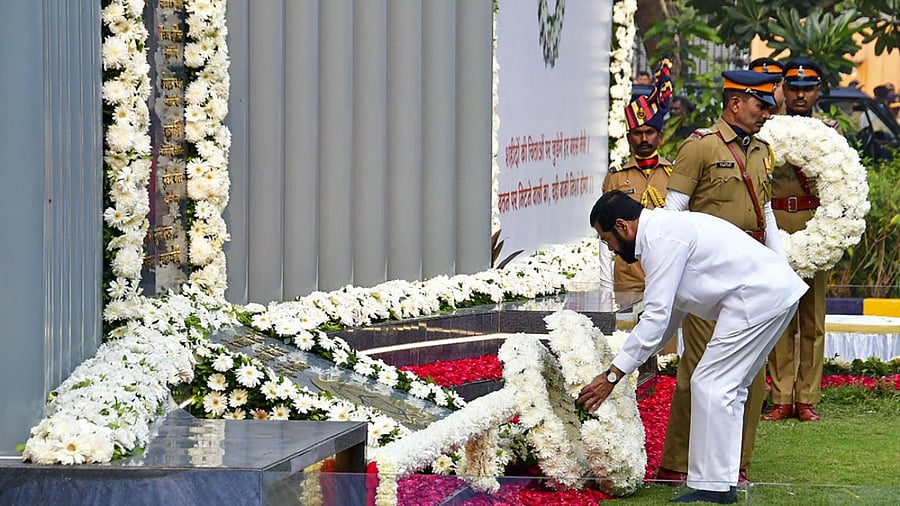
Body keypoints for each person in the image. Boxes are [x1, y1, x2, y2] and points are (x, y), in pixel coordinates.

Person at [579, 191, 806, 504]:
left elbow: (658, 315)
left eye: (607, 240)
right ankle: (721, 484)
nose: (611, 249)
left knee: (711, 384)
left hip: (756, 298)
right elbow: (672, 311)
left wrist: (613, 375)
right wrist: (639, 357)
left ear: (622, 226)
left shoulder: (661, 238)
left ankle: (713, 488)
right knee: (728, 388)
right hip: (772, 294)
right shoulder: (661, 232)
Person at [656, 69, 785, 487]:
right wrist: (670, 277)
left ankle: (735, 465)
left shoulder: (762, 151)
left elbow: (765, 214)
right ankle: (677, 463)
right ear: (735, 103)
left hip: (752, 277)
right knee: (698, 371)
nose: (766, 113)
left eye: (768, 107)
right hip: (708, 279)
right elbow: (673, 212)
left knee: (750, 373)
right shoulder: (699, 147)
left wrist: (778, 267)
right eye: (760, 105)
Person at [761, 58, 837, 422]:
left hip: (814, 224)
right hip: (776, 224)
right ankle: (782, 397)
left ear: (818, 91)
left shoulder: (829, 133)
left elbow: (840, 185)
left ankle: (806, 397)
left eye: (808, 88)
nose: (800, 94)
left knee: (813, 316)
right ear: (784, 90)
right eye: (794, 88)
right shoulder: (765, 129)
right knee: (779, 314)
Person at [603, 57, 673, 292]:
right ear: (628, 137)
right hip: (628, 276)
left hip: (667, 271)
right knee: (627, 329)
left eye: (650, 132)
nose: (644, 139)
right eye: (637, 133)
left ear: (660, 136)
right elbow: (605, 233)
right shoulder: (615, 177)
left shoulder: (674, 174)